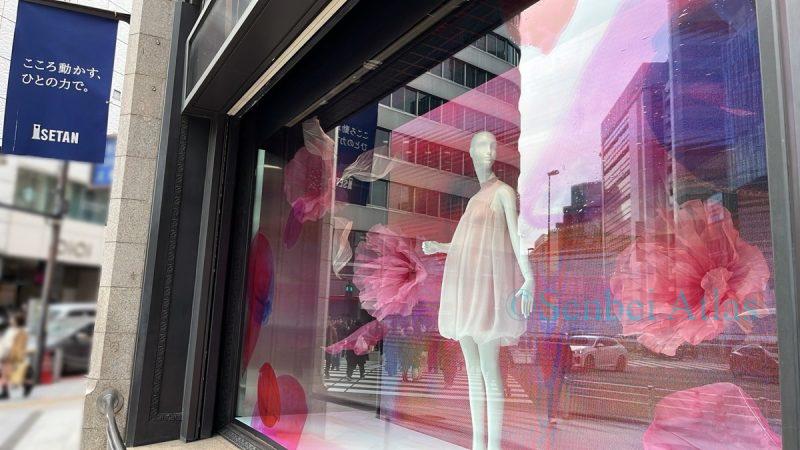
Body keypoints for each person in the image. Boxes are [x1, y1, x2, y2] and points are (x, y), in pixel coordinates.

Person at [0, 313, 33, 399]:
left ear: (16, 321)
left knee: (5, 374)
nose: (10, 320)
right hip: (17, 355)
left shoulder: (13, 332)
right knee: (19, 372)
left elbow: (7, 344)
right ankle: (27, 385)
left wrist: (3, 353)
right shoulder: (23, 331)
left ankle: (5, 392)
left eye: (12, 319)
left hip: (9, 355)